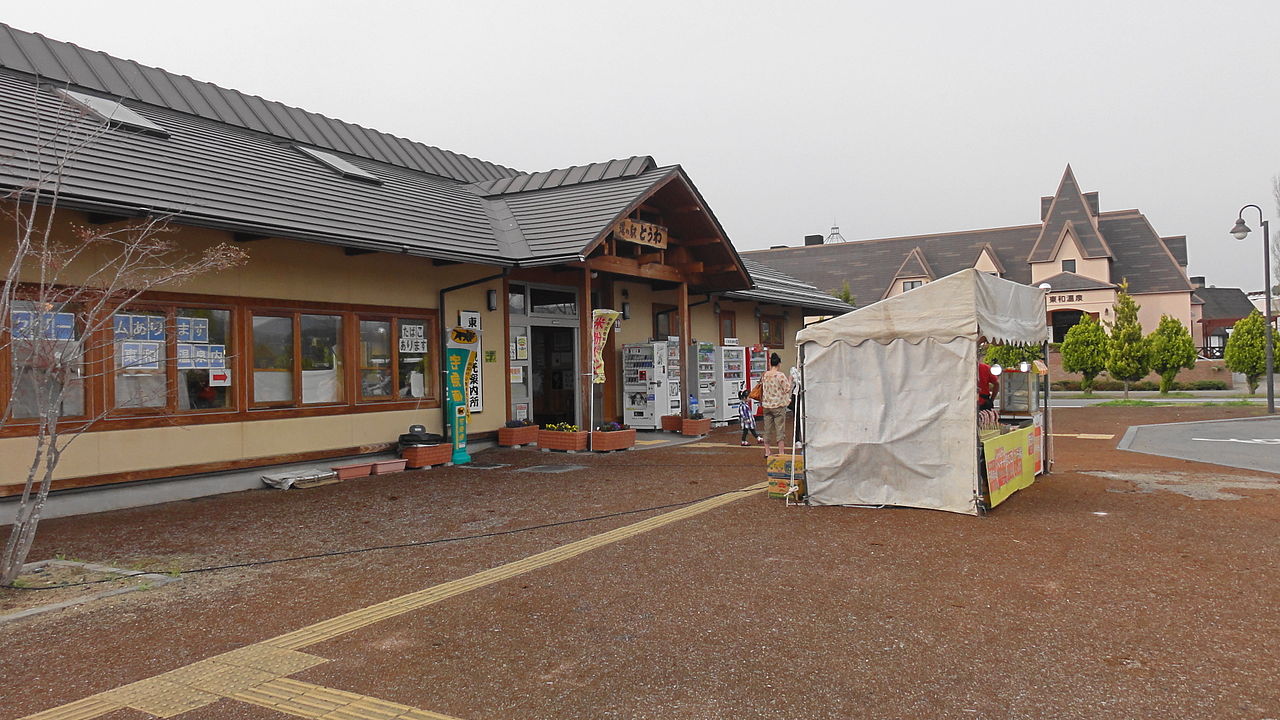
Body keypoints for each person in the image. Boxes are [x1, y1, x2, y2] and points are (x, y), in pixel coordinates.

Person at [759, 352, 793, 457]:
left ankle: (767, 451)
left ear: (770, 363)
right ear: (779, 364)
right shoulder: (780, 375)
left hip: (766, 405)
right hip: (778, 405)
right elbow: (787, 388)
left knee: (767, 429)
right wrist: (790, 380)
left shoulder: (765, 375)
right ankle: (781, 452)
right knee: (780, 429)